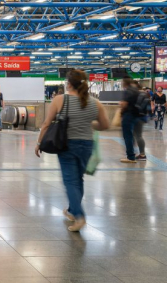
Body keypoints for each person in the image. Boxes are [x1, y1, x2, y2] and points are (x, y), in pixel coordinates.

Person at [35, 69, 109, 232]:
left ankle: (79, 215)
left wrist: (39, 142)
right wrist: (90, 124)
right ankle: (71, 210)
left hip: (67, 145)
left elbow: (46, 124)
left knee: (70, 181)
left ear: (68, 84)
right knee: (78, 179)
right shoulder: (95, 102)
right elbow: (105, 125)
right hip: (87, 145)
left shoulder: (60, 100)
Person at [120, 77, 141, 163]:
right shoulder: (136, 90)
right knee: (132, 136)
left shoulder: (128, 91)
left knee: (127, 136)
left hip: (128, 114)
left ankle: (130, 156)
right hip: (136, 115)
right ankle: (133, 153)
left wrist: (121, 107)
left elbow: (125, 104)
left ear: (125, 83)